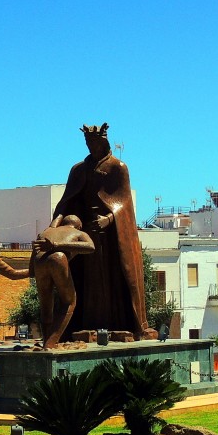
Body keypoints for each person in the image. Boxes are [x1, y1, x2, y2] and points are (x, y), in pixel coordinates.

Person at [52, 123, 157, 339]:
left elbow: (125, 203)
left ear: (104, 141)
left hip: (111, 236)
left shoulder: (118, 167)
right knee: (87, 279)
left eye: (94, 142)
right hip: (85, 232)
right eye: (87, 142)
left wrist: (109, 219)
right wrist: (54, 226)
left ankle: (119, 323)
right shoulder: (79, 169)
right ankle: (84, 323)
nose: (91, 146)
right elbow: (67, 201)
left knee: (113, 278)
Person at [31, 215, 95, 348]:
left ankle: (45, 342)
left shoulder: (46, 232)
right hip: (58, 259)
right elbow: (91, 247)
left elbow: (32, 263)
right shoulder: (79, 232)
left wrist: (32, 271)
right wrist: (56, 246)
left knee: (46, 305)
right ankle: (51, 342)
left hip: (39, 261)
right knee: (69, 302)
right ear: (79, 226)